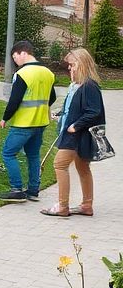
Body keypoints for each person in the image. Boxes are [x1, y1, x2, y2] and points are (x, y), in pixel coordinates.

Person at [42, 47, 105, 218]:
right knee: (82, 167)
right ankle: (86, 205)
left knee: (60, 164)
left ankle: (63, 206)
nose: (69, 68)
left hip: (76, 135)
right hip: (74, 134)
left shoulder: (89, 86)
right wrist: (60, 115)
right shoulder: (77, 86)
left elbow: (94, 111)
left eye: (72, 65)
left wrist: (76, 125)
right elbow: (73, 108)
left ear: (81, 64)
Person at [0, 41, 56, 203]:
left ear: (23, 53)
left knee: (8, 153)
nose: (15, 61)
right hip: (40, 122)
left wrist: (5, 118)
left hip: (23, 123)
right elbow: (52, 97)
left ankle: (16, 189)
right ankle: (33, 190)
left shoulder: (23, 73)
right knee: (33, 155)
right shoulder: (48, 73)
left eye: (15, 57)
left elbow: (15, 100)